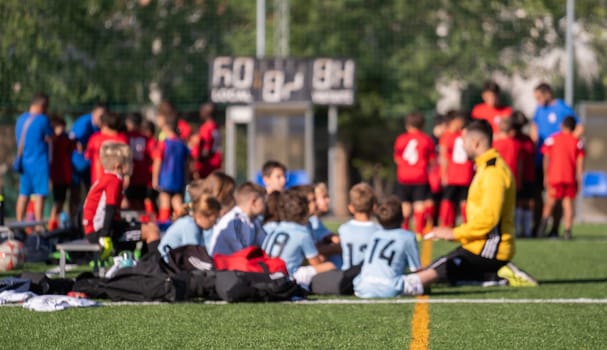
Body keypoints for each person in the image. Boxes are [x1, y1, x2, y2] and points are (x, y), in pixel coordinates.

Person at [402, 120, 537, 295]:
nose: (462, 146)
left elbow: (489, 219)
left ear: (476, 143)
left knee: (422, 278)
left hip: (489, 249)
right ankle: (495, 276)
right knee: (441, 273)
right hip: (479, 245)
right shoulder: (484, 167)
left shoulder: (493, 172)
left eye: (464, 142)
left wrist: (454, 233)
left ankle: (498, 273)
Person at [531, 82, 582, 236]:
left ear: (548, 94)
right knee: (538, 195)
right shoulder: (539, 110)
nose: (537, 100)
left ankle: (554, 229)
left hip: (558, 164)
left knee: (558, 199)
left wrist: (565, 148)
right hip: (541, 159)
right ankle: (537, 227)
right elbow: (535, 128)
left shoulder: (562, 108)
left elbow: (579, 127)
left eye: (539, 97)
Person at [262, 189, 336, 289]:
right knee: (330, 266)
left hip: (265, 274)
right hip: (287, 277)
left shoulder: (276, 228)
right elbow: (316, 263)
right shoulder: (301, 233)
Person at [353, 196, 421, 298]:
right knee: (430, 273)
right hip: (390, 288)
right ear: (402, 217)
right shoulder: (408, 236)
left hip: (361, 287)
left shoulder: (375, 235)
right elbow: (416, 269)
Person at [82, 142, 134, 260]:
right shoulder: (113, 181)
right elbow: (109, 208)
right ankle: (153, 267)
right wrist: (105, 236)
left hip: (99, 229)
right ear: (117, 166)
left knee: (138, 228)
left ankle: (124, 261)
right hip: (98, 232)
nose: (132, 165)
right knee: (149, 232)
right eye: (129, 162)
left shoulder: (111, 179)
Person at [538, 116, 584, 240]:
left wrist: (545, 175)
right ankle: (567, 231)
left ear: (562, 125)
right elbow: (580, 164)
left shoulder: (552, 139)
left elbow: (546, 158)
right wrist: (579, 180)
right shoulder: (577, 142)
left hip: (555, 177)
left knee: (550, 203)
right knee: (567, 205)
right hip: (569, 178)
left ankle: (541, 230)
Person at [393, 112, 436, 235]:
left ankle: (405, 229)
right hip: (420, 176)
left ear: (407, 125)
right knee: (419, 204)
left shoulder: (400, 139)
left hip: (404, 176)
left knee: (405, 205)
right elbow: (432, 160)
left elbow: (397, 158)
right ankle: (418, 231)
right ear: (422, 125)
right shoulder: (426, 139)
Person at [15, 93, 53, 226]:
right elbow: (50, 137)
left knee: (23, 194)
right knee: (39, 195)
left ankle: (18, 225)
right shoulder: (43, 119)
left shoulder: (21, 119)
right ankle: (38, 226)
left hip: (24, 163)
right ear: (42, 106)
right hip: (39, 162)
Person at [152, 110, 191, 222]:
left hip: (165, 179)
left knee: (164, 200)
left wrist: (155, 179)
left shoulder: (163, 144)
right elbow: (187, 164)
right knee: (177, 201)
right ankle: (183, 222)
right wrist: (186, 178)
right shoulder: (182, 145)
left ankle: (164, 224)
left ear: (166, 128)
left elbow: (157, 162)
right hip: (178, 179)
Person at [209, 182, 267, 256]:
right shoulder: (233, 221)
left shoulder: (253, 221)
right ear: (254, 201)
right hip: (224, 265)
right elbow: (241, 253)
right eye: (263, 201)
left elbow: (264, 244)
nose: (265, 205)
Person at [158, 193, 221, 259]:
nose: (215, 223)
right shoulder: (189, 225)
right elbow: (194, 257)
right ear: (201, 216)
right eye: (213, 220)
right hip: (163, 265)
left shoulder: (196, 226)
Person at [438, 111, 474, 228]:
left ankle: (465, 223)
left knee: (463, 199)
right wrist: (444, 174)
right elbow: (444, 157)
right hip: (454, 173)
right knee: (450, 199)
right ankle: (448, 223)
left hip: (463, 172)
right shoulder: (450, 136)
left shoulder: (461, 134)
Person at [68, 102, 106, 211]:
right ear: (94, 114)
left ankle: (89, 216)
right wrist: (87, 147)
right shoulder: (84, 124)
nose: (102, 118)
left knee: (92, 192)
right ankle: (74, 219)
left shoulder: (101, 126)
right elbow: (75, 143)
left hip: (90, 165)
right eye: (100, 115)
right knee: (75, 192)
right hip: (77, 164)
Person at [338, 183, 381, 271]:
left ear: (351, 208)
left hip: (347, 279)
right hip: (372, 278)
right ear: (374, 207)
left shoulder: (343, 229)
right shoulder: (380, 231)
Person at [48, 116, 75, 230]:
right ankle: (52, 223)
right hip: (57, 177)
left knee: (63, 200)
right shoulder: (54, 140)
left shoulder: (65, 139)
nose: (63, 130)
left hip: (65, 176)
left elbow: (73, 147)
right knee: (58, 202)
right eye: (60, 128)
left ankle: (59, 223)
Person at [512, 111, 536, 237]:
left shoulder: (526, 140)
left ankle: (525, 230)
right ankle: (517, 230)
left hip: (526, 176)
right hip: (515, 177)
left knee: (526, 202)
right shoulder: (512, 140)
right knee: (518, 203)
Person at [85, 113, 128, 184]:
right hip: (117, 178)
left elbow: (88, 156)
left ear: (104, 124)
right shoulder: (122, 138)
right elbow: (126, 160)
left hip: (98, 178)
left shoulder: (95, 139)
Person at [124, 113, 154, 211]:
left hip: (130, 175)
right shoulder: (146, 139)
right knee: (142, 204)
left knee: (130, 203)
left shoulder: (125, 137)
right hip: (143, 176)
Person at [194, 103, 223, 179]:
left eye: (201, 110)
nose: (200, 113)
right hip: (216, 161)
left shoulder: (206, 128)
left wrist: (196, 161)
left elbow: (206, 150)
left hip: (207, 164)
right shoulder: (215, 126)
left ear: (206, 113)